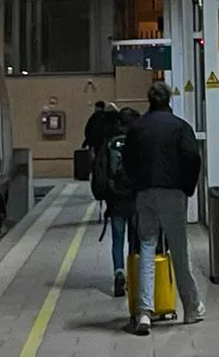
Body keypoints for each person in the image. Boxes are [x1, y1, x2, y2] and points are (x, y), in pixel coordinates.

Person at [125, 81, 204, 335]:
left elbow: (127, 160)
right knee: (179, 251)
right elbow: (192, 157)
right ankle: (191, 308)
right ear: (168, 99)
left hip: (144, 193)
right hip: (173, 193)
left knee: (147, 247)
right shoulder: (180, 126)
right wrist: (187, 187)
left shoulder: (137, 128)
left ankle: (144, 312)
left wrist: (137, 184)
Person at [94, 106, 140, 299]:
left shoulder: (109, 142)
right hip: (135, 197)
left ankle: (118, 272)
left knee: (118, 237)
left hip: (115, 198)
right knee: (134, 238)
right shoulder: (138, 140)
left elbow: (101, 171)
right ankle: (134, 275)